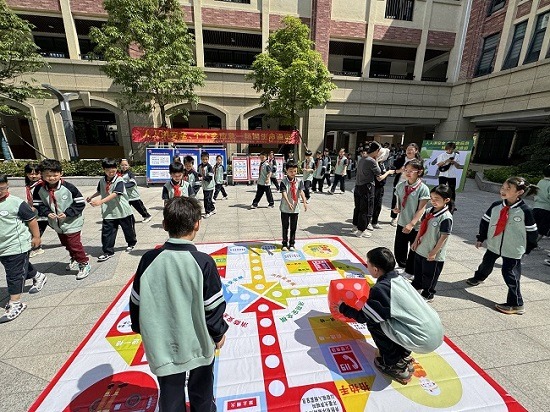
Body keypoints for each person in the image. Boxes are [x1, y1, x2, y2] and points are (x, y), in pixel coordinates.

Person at [129, 196, 228, 411]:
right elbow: (213, 307)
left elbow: (136, 301)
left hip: (162, 344)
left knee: (170, 394)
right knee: (202, 390)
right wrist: (218, 333)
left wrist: (138, 327)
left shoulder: (148, 259)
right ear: (197, 224)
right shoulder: (203, 262)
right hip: (198, 343)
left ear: (164, 225)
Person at [338, 247, 443, 385]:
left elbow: (364, 317)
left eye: (367, 264)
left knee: (374, 322)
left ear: (375, 269)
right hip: (435, 332)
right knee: (384, 318)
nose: (366, 267)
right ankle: (403, 354)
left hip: (423, 339)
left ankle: (394, 364)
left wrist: (342, 307)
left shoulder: (381, 289)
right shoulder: (399, 279)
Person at [466, 177, 538, 315]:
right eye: (503, 187)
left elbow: (532, 231)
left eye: (508, 189)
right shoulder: (496, 206)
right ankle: (479, 277)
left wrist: (528, 247)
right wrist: (481, 237)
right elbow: (485, 222)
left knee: (510, 274)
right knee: (486, 262)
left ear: (519, 192)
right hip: (494, 244)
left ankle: (516, 304)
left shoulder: (525, 210)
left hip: (513, 249)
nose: (503, 191)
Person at [33, 159, 91, 280]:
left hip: (72, 221)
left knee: (74, 244)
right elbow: (38, 204)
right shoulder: (39, 189)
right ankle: (74, 257)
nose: (52, 178)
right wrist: (47, 213)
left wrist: (67, 213)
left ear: (61, 173)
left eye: (55, 175)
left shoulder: (68, 187)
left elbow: (80, 203)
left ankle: (84, 263)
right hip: (57, 223)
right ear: (42, 175)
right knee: (66, 243)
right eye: (48, 175)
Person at [0, 174, 46, 322]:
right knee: (19, 267)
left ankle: (16, 303)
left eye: (1, 188)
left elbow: (31, 220)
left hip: (16, 245)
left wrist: (36, 237)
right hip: (2, 247)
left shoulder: (16, 203)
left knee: (13, 274)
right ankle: (38, 276)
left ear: (7, 186)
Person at [87, 158, 137, 262]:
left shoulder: (120, 180)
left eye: (113, 170)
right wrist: (91, 197)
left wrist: (100, 202)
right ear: (103, 170)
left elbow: (115, 193)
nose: (111, 173)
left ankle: (131, 243)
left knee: (128, 230)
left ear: (116, 169)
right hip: (109, 211)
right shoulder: (102, 180)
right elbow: (100, 191)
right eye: (108, 171)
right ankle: (108, 251)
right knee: (107, 233)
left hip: (122, 210)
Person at [411, 185, 454, 302]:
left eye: (437, 199)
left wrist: (434, 252)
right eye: (432, 198)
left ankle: (428, 293)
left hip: (433, 253)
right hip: (422, 247)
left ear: (446, 200)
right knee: (418, 271)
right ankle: (417, 285)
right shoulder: (428, 211)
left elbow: (444, 237)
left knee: (430, 275)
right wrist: (415, 241)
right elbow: (421, 228)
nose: (433, 201)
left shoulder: (446, 217)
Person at [392, 159, 430, 280]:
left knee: (413, 249)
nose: (408, 173)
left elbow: (421, 209)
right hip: (402, 222)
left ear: (419, 172)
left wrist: (412, 224)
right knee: (399, 247)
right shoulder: (401, 186)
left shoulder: (423, 189)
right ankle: (402, 265)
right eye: (406, 170)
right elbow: (398, 201)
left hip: (415, 225)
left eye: (411, 171)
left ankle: (410, 271)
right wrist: (397, 208)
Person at [352, 143, 395, 238]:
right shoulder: (371, 161)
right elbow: (379, 175)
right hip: (367, 188)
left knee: (358, 208)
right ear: (376, 151)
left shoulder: (363, 158)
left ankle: (355, 226)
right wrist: (388, 172)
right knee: (366, 209)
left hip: (358, 186)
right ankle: (361, 230)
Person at [390, 143, 422, 226]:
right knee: (396, 200)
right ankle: (394, 217)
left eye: (411, 149)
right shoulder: (401, 159)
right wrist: (400, 170)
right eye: (408, 149)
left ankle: (409, 218)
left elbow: (420, 173)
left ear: (416, 151)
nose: (409, 151)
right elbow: (394, 169)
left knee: (410, 201)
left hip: (412, 184)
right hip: (400, 183)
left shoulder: (418, 161)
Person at [279, 161, 308, 251]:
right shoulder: (283, 182)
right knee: (285, 227)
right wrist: (288, 202)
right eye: (291, 171)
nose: (293, 173)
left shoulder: (299, 181)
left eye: (295, 171)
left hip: (295, 208)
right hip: (285, 208)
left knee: (293, 227)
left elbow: (301, 191)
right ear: (286, 171)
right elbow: (284, 193)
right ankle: (284, 244)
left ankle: (292, 244)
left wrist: (304, 201)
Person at [24, 162, 47, 257]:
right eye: (30, 174)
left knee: (38, 229)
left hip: (43, 211)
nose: (33, 176)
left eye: (36, 173)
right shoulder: (30, 185)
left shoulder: (42, 184)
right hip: (37, 211)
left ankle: (36, 248)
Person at [119, 159, 152, 223]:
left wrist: (122, 186)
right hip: (125, 196)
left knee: (140, 208)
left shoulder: (130, 174)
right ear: (120, 165)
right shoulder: (119, 174)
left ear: (129, 165)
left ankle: (147, 216)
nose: (124, 166)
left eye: (126, 165)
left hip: (133, 196)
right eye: (122, 165)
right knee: (124, 209)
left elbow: (132, 183)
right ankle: (124, 220)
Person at [435, 142, 462, 206]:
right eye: (448, 149)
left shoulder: (456, 155)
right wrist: (446, 161)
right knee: (441, 189)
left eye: (452, 149)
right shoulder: (442, 155)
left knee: (452, 190)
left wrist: (454, 162)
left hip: (452, 175)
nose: (450, 150)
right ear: (446, 148)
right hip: (443, 175)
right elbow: (438, 164)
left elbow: (458, 166)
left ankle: (451, 205)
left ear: (453, 149)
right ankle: (440, 203)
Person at [371, 147, 391, 229]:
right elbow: (379, 177)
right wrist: (388, 173)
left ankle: (374, 221)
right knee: (374, 205)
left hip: (381, 187)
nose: (386, 156)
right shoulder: (376, 164)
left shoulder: (382, 164)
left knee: (378, 205)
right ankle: (372, 222)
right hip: (376, 187)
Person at [534, 165, 550, 266]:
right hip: (547, 209)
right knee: (542, 229)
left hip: (537, 207)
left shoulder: (541, 181)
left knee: (535, 226)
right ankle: (533, 244)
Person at [198, 152, 216, 218]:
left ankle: (208, 212)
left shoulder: (209, 167)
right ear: (201, 159)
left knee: (206, 199)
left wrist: (203, 178)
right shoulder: (199, 166)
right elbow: (199, 174)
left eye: (206, 159)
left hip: (210, 186)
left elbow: (210, 177)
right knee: (208, 199)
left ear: (208, 159)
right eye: (203, 159)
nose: (204, 161)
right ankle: (213, 209)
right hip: (204, 186)